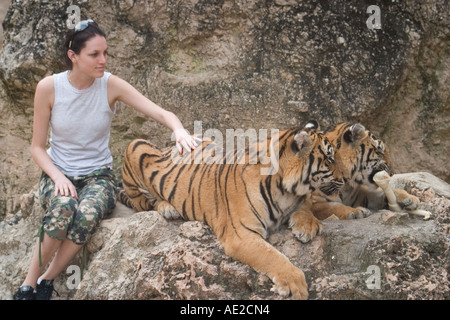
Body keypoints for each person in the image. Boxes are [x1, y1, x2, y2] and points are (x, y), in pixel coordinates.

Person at [13, 20, 200, 300]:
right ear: (72, 56)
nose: (103, 60)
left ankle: (46, 280)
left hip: (98, 176)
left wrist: (179, 130)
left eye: (105, 53)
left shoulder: (110, 85)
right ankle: (27, 286)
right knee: (63, 209)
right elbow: (37, 148)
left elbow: (161, 113)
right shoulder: (49, 88)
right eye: (94, 54)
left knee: (85, 216)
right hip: (59, 172)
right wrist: (58, 177)